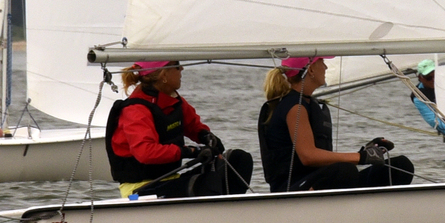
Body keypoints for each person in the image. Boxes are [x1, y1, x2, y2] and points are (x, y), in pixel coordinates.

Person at [259, 56, 415, 192]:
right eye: (322, 62)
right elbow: (308, 156)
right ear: (311, 70)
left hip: (320, 179)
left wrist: (365, 152)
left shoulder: (307, 103)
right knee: (345, 170)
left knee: (402, 166)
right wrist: (361, 157)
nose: (326, 67)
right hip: (293, 188)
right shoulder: (294, 107)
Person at [105, 61, 253, 198]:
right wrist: (191, 152)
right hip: (140, 190)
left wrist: (207, 137)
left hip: (171, 179)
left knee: (239, 160)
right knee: (209, 183)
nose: (181, 69)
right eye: (177, 65)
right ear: (164, 74)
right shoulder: (136, 109)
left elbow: (193, 126)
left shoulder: (173, 100)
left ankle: (232, 212)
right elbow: (146, 152)